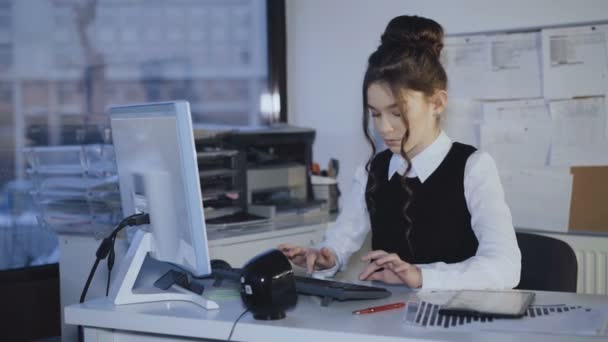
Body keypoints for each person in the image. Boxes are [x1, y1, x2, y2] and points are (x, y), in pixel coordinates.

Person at [278, 15, 521, 290]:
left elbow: (506, 267)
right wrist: (325, 257)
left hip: (459, 320)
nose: (384, 128)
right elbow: (341, 239)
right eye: (375, 114)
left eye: (397, 113)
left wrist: (421, 276)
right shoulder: (373, 171)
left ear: (437, 103)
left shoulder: (473, 167)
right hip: (388, 321)